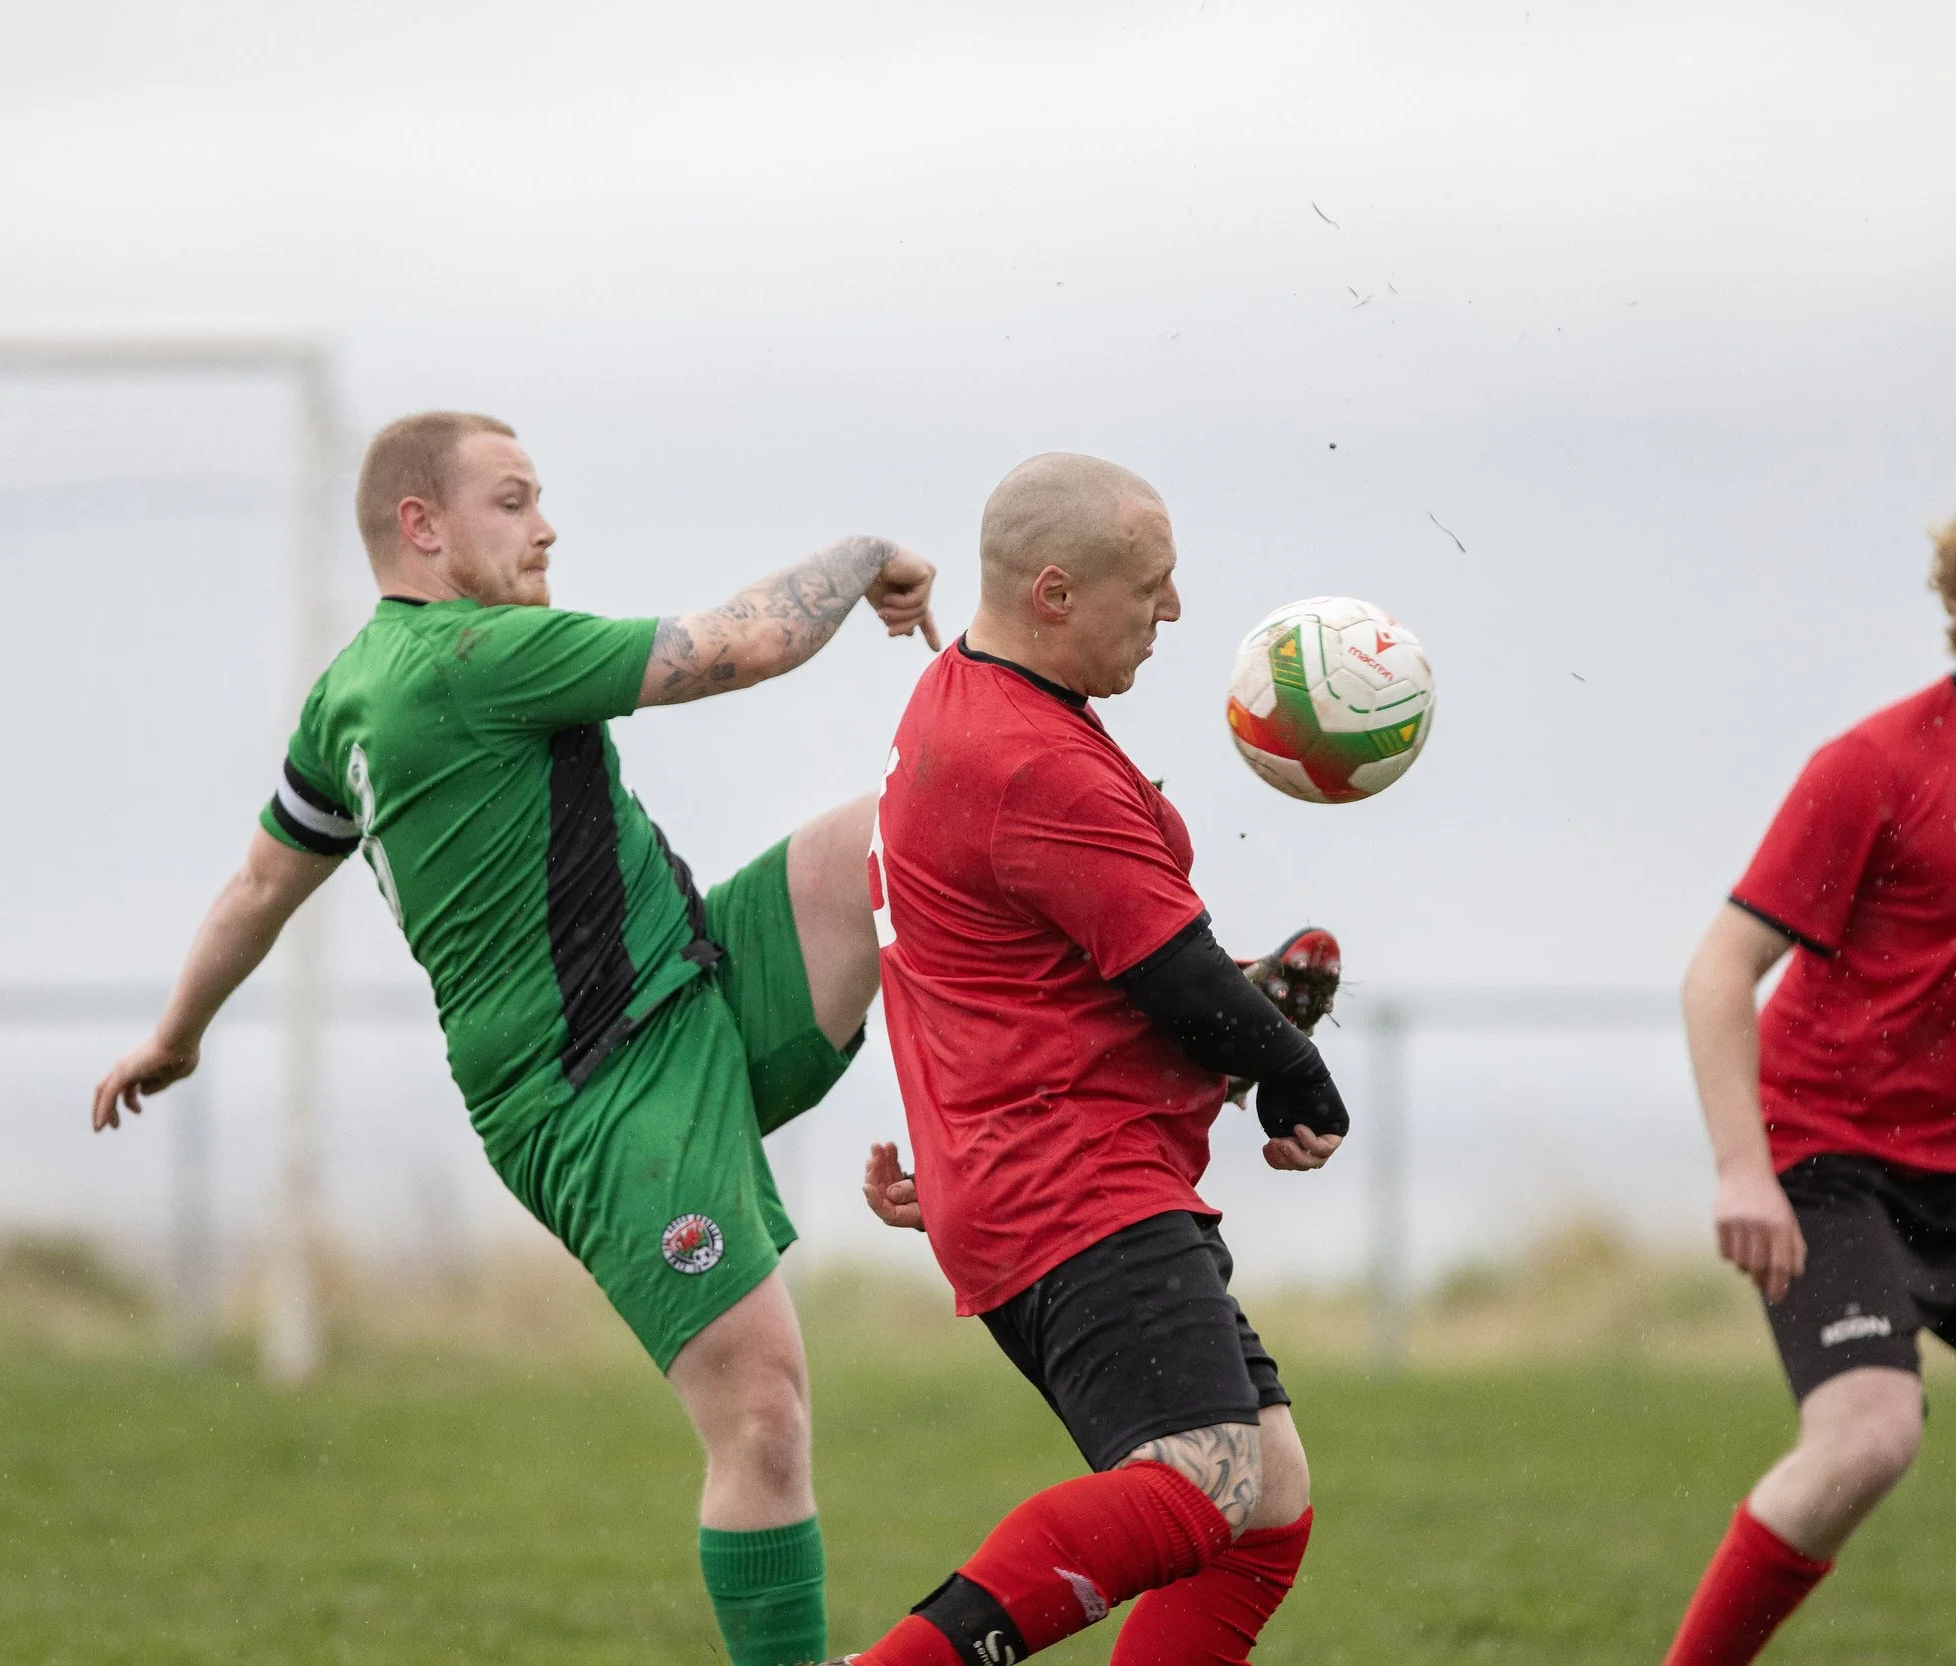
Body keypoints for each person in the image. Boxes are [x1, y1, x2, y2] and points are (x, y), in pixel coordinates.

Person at [90, 410, 938, 1666]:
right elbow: (747, 645)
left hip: (695, 978)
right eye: (513, 500)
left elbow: (259, 887)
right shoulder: (473, 656)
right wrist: (868, 549)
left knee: (909, 826)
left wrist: (176, 1033)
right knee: (762, 1414)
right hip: (594, 1094)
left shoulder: (348, 696)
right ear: (421, 527)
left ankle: (1175, 1003)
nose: (546, 527)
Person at [837, 453, 1349, 1666]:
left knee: (1263, 1498)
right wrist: (1288, 1065)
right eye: (1151, 586)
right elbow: (1175, 982)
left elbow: (1016, 973)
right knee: (1201, 1478)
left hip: (1041, 1172)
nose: (1174, 612)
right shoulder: (1033, 762)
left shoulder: (963, 701)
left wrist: (1250, 1017)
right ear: (1056, 592)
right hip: (1073, 1187)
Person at [1660, 466, 1956, 1665]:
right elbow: (1718, 971)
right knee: (1867, 1438)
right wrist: (1741, 1174)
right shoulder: (1877, 766)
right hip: (1829, 1161)